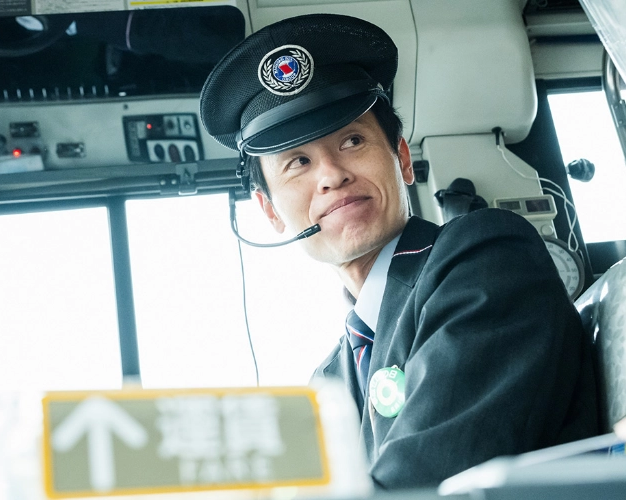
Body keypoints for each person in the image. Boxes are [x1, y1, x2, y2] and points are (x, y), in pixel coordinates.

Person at [198, 13, 599, 490]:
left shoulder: (485, 257)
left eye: (352, 140)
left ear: (402, 159)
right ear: (270, 211)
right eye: (298, 162)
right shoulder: (329, 381)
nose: (331, 175)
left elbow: (425, 481)